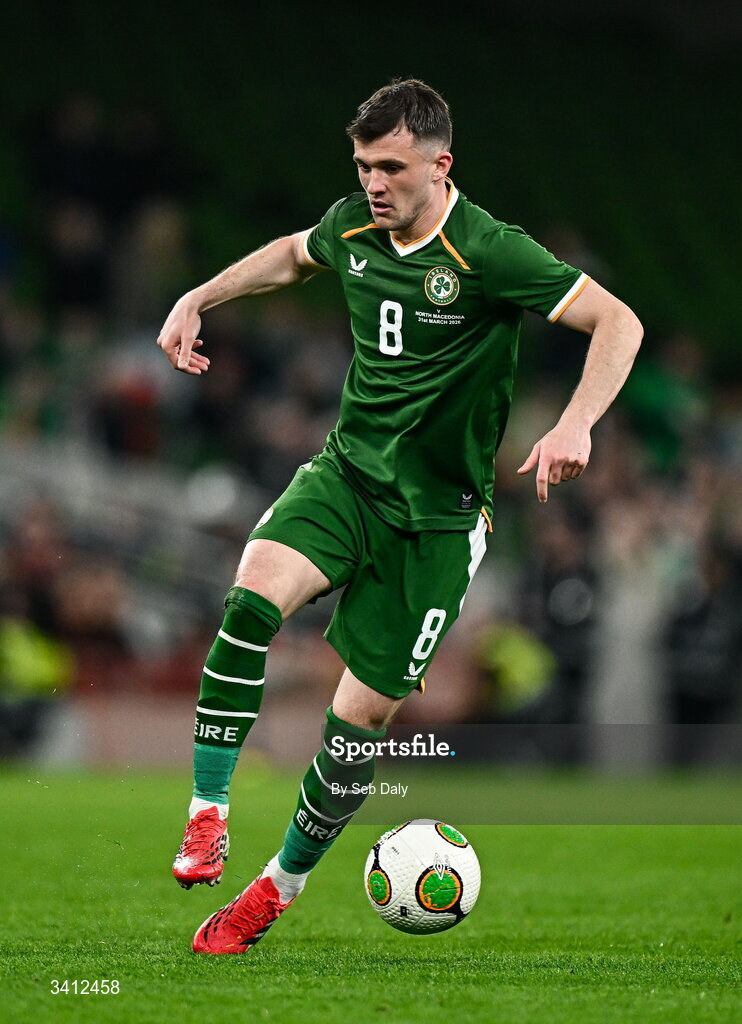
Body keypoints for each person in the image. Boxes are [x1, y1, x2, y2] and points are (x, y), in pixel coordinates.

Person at [156, 79, 642, 955]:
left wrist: (576, 421)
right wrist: (200, 296)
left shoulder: (489, 251)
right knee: (250, 597)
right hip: (347, 478)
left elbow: (619, 321)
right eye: (362, 166)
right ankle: (206, 813)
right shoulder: (352, 223)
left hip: (439, 524)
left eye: (390, 167)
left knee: (358, 724)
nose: (373, 183)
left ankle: (276, 888)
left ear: (439, 165)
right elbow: (291, 254)